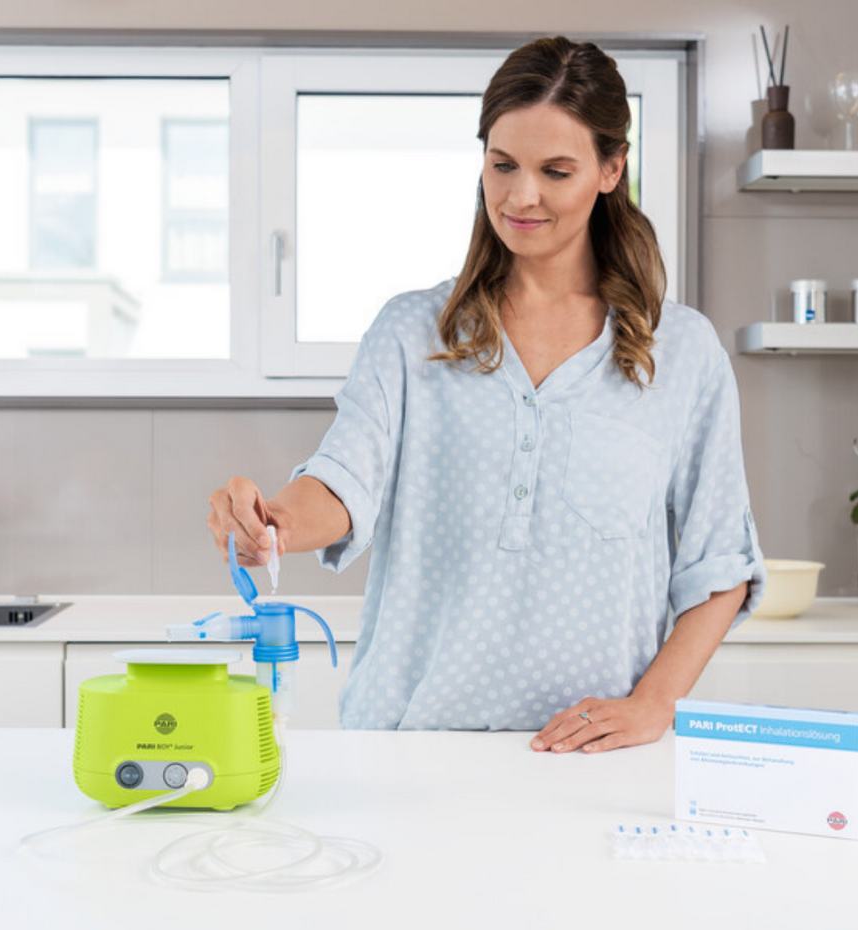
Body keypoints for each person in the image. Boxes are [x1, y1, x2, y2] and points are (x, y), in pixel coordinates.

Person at [208, 36, 765, 753]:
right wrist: (271, 523)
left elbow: (722, 564)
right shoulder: (412, 332)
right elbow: (344, 482)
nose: (519, 195)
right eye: (501, 165)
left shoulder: (680, 352)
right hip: (410, 749)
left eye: (554, 170)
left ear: (611, 168)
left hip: (593, 760)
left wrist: (654, 704)